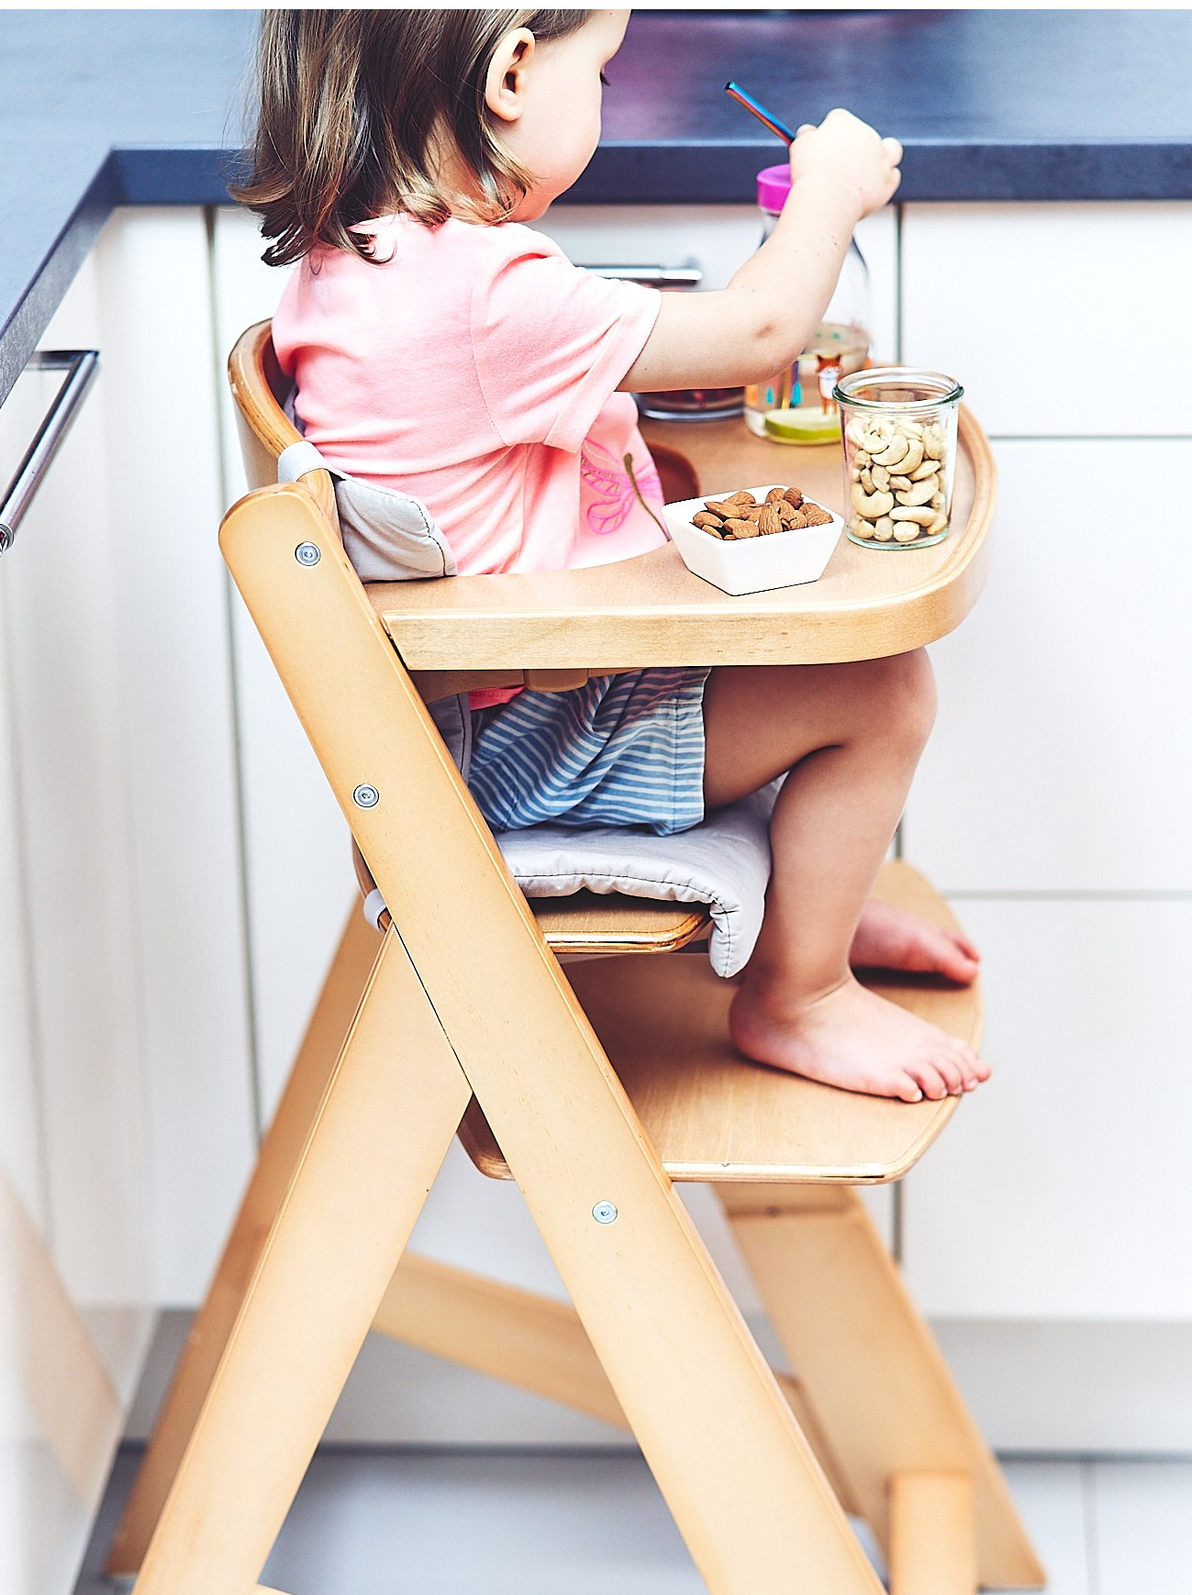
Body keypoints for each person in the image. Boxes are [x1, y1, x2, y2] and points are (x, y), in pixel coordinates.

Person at [236, 7, 990, 1103]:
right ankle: (799, 990)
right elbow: (761, 334)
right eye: (602, 72)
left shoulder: (358, 256)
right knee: (879, 690)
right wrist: (826, 195)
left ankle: (811, 905)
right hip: (530, 746)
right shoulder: (487, 296)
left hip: (481, 715)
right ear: (510, 76)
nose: (605, 97)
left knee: (808, 662)